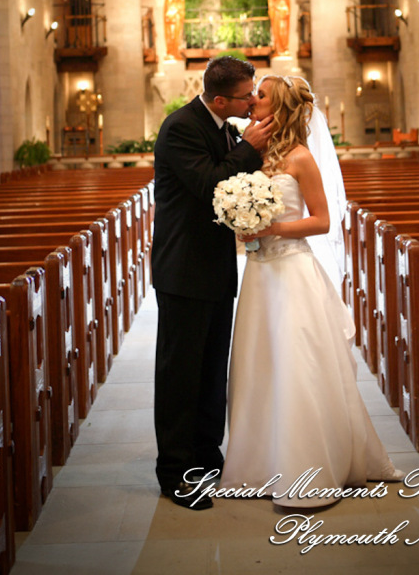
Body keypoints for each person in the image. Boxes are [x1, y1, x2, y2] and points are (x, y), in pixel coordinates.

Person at [221, 75, 403, 505]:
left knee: (297, 365)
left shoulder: (301, 157)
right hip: (259, 275)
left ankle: (309, 464)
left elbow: (322, 221)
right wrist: (242, 227)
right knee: (259, 364)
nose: (252, 100)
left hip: (292, 271)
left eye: (260, 95)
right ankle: (258, 464)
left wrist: (273, 228)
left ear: (278, 108)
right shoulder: (249, 155)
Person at [151, 55, 273, 510]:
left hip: (216, 267)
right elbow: (211, 184)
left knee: (210, 371)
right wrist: (250, 148)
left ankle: (205, 457)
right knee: (180, 374)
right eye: (248, 95)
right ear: (221, 98)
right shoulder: (180, 126)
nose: (254, 100)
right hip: (183, 269)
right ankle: (175, 473)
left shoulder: (225, 127)